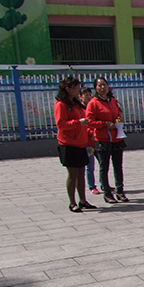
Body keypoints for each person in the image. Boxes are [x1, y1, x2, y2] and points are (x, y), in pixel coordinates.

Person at [54, 76, 96, 213]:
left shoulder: (76, 103)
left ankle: (83, 200)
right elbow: (61, 124)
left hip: (81, 142)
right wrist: (78, 122)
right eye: (76, 88)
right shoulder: (61, 104)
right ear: (68, 89)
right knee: (72, 174)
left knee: (81, 173)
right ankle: (72, 202)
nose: (78, 90)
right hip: (68, 144)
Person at [86, 77, 127, 203]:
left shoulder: (112, 101)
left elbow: (118, 115)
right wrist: (105, 124)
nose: (103, 88)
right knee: (104, 167)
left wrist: (118, 121)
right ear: (96, 89)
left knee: (118, 166)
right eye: (100, 86)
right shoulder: (93, 103)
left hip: (116, 138)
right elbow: (90, 121)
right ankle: (107, 193)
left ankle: (120, 191)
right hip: (103, 139)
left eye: (104, 85)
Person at [79, 87, 100, 195]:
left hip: (98, 140)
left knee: (103, 163)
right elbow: (83, 126)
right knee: (90, 165)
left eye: (89, 94)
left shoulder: (93, 107)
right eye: (85, 94)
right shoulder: (80, 110)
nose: (88, 96)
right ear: (80, 96)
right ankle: (92, 186)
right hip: (88, 142)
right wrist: (91, 133)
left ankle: (104, 184)